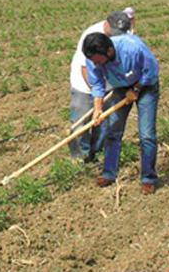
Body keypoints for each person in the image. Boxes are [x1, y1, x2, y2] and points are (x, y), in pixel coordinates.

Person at [82, 32, 159, 195]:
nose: (95, 64)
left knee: (146, 135)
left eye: (97, 61)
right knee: (113, 131)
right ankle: (108, 174)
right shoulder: (92, 60)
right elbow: (97, 84)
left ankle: (148, 178)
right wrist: (97, 109)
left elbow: (151, 71)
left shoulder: (133, 48)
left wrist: (136, 89)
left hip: (146, 87)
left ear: (109, 52)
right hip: (121, 87)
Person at [68, 11, 132, 162]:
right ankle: (80, 156)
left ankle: (96, 154)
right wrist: (97, 94)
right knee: (80, 121)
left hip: (109, 82)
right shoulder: (92, 36)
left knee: (102, 122)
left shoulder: (123, 34)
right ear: (106, 24)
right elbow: (85, 68)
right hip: (84, 84)